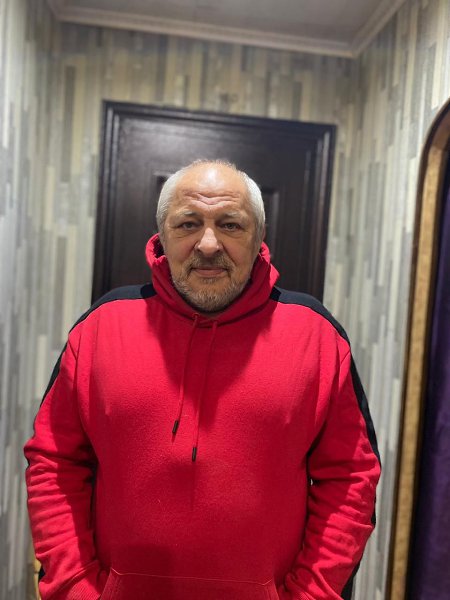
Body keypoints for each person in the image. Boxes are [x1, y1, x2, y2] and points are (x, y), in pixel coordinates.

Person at [24, 160, 381, 600]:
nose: (208, 244)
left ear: (258, 238)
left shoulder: (318, 337)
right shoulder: (99, 329)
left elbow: (351, 480)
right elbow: (54, 463)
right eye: (188, 224)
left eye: (230, 225)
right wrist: (75, 588)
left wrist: (312, 594)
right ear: (162, 236)